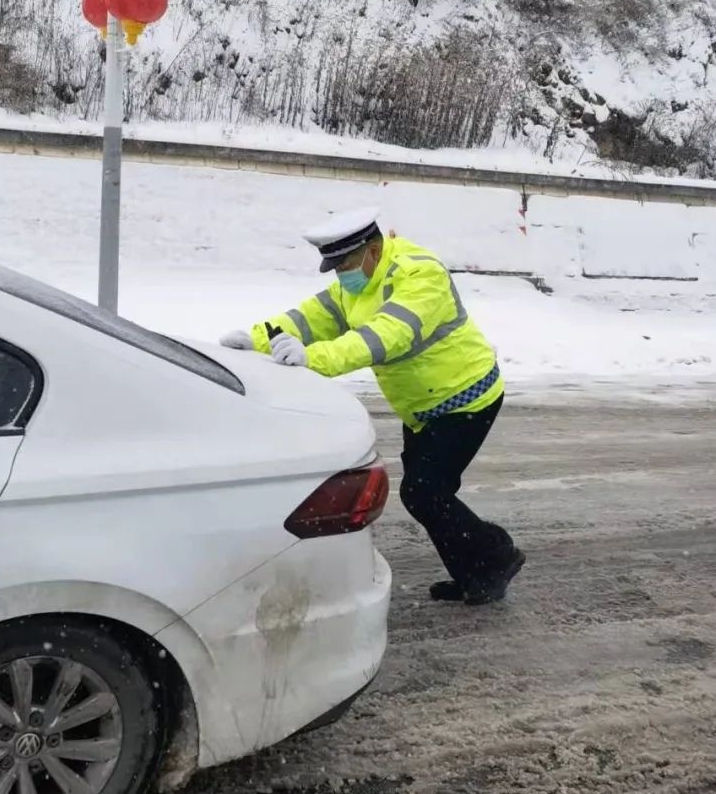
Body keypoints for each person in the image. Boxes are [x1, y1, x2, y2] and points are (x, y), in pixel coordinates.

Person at [220, 207, 524, 606]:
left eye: (343, 263)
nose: (339, 273)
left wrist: (314, 359)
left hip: (466, 396)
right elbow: (312, 318)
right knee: (431, 493)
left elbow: (385, 336)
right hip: (421, 407)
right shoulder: (356, 283)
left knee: (423, 492)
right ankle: (477, 569)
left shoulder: (420, 276)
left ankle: (495, 555)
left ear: (373, 251)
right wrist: (257, 338)